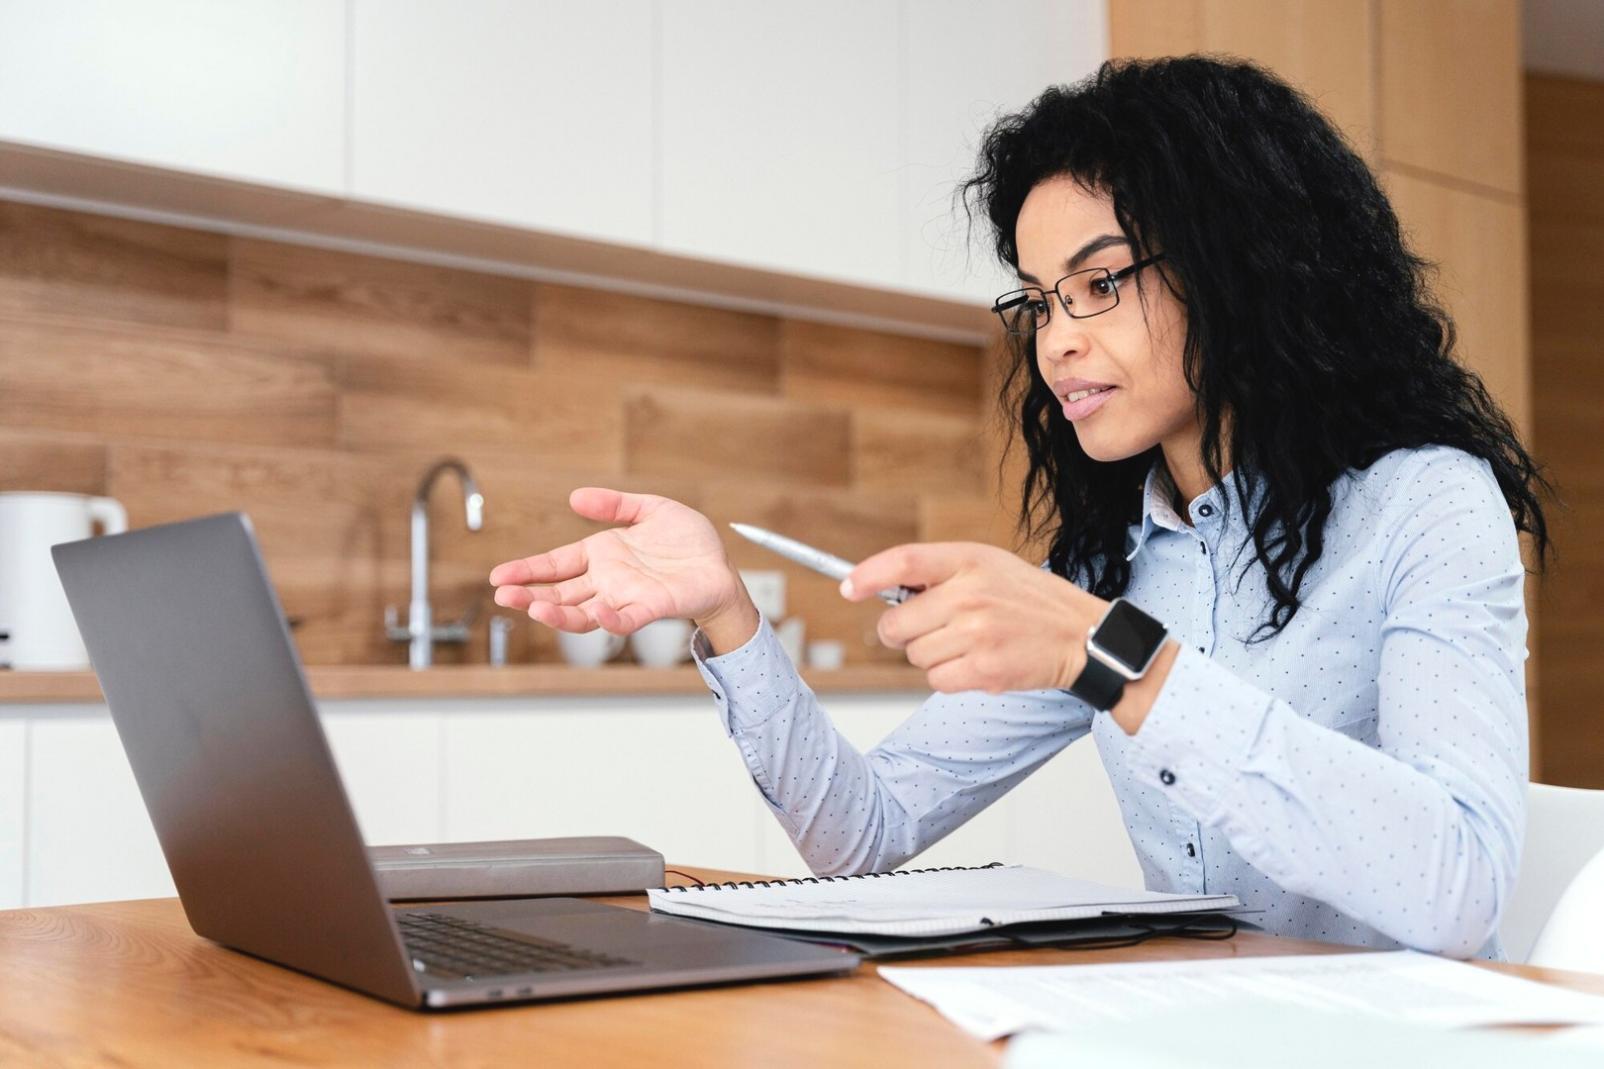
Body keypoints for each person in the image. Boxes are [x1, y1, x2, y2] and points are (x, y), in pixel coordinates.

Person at [490, 56, 1549, 959]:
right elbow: (865, 832)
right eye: (1038, 300)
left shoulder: (1424, 504)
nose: (1055, 340)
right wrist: (725, 613)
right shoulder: (1117, 563)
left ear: (1242, 271)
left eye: (1097, 284)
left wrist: (1114, 655)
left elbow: (1455, 886)